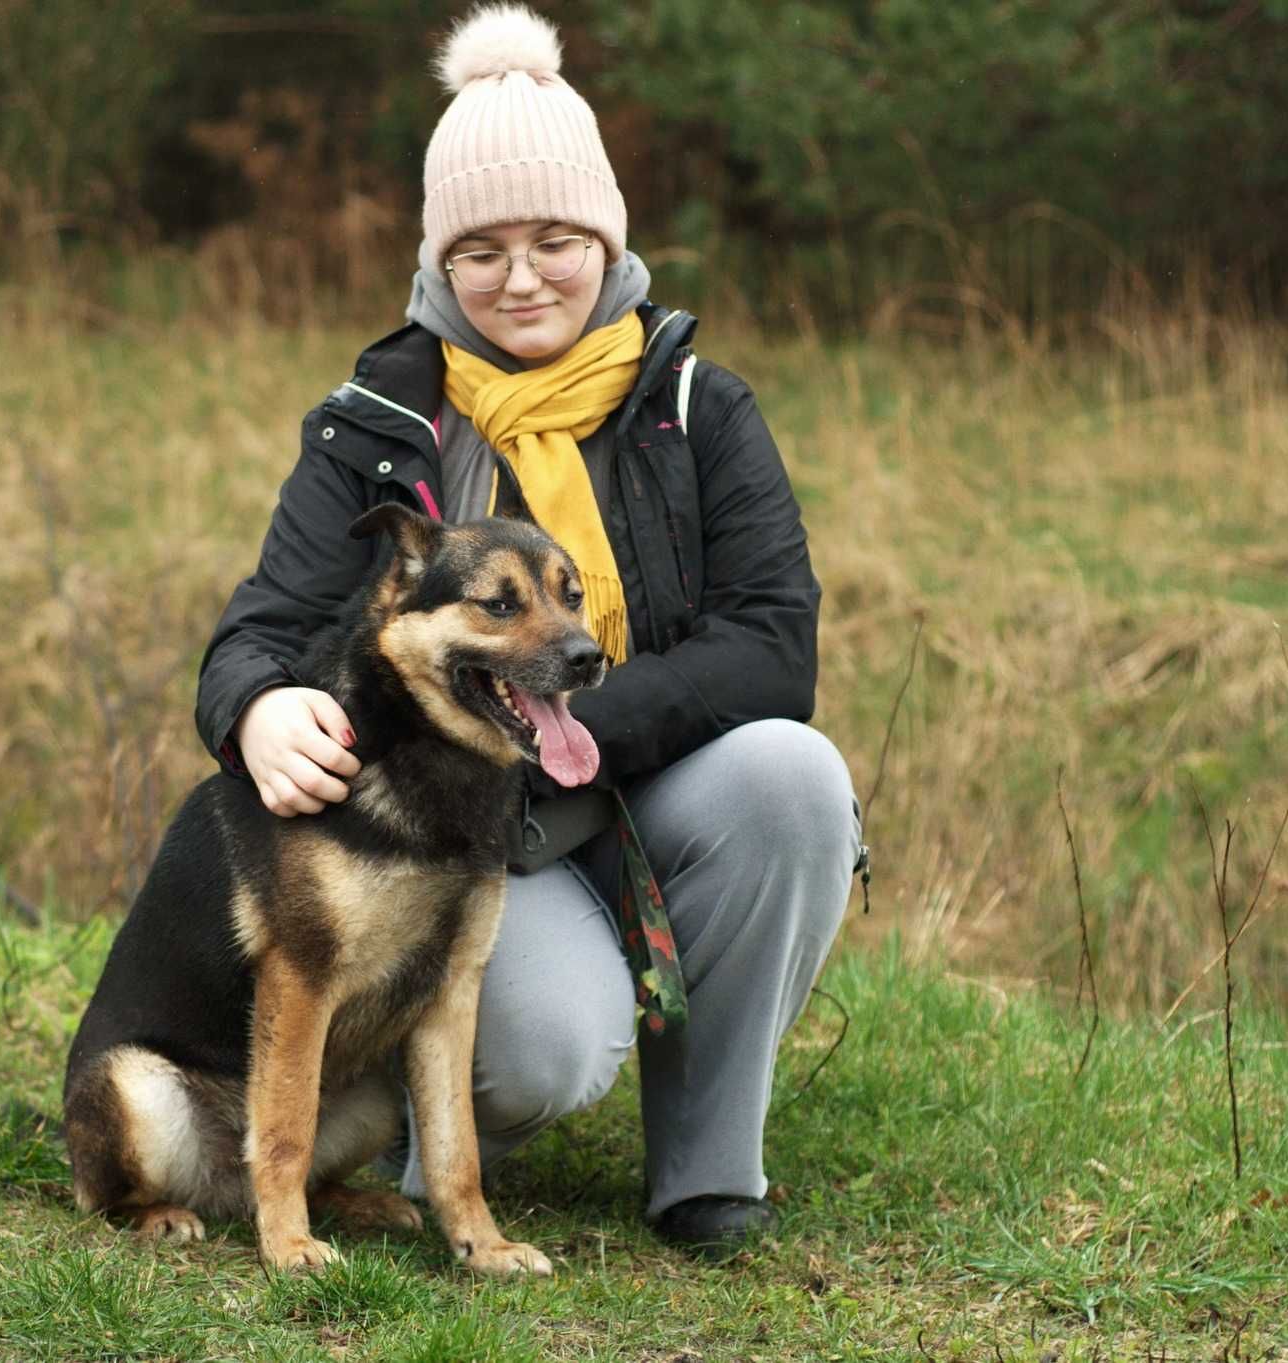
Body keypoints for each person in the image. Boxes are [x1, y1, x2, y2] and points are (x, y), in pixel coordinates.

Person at [193, 2, 863, 1260]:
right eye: (481, 248)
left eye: (555, 240)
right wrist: (253, 706)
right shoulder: (375, 420)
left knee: (793, 777)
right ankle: (392, 1145)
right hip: (468, 825)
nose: (518, 278)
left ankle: (708, 1172)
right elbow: (257, 630)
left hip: (647, 779)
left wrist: (562, 725)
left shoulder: (695, 408)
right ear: (437, 262)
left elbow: (776, 645)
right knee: (539, 1058)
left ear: (606, 242)